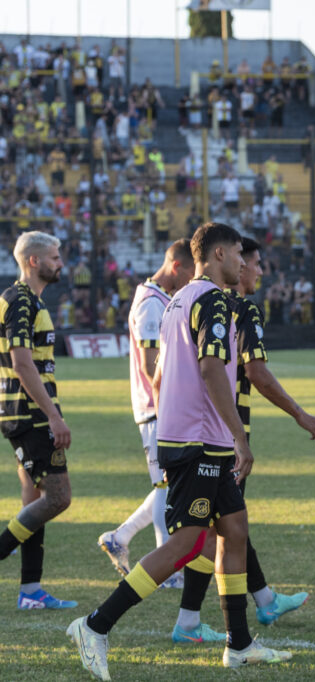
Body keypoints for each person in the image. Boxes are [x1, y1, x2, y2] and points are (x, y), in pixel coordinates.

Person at [67, 223, 291, 680]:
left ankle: (240, 644)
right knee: (187, 543)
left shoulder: (177, 301)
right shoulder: (209, 299)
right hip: (197, 441)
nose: (245, 263)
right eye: (238, 256)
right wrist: (239, 438)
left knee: (234, 530)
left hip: (189, 436)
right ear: (218, 254)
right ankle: (95, 625)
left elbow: (167, 374)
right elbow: (211, 370)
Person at [171, 238, 315, 642]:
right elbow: (255, 373)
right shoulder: (237, 308)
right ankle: (187, 620)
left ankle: (261, 600)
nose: (255, 271)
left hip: (194, 430)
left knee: (231, 523)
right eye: (253, 263)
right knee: (211, 529)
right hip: (221, 434)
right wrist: (299, 413)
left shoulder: (187, 301)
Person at [96, 240, 195, 587]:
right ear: (177, 266)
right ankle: (167, 569)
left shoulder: (161, 299)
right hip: (157, 406)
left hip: (165, 405)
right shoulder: (150, 303)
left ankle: (120, 537)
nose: (191, 281)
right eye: (190, 273)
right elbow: (149, 362)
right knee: (165, 485)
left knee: (167, 482)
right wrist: (168, 399)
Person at [0, 232, 75, 610]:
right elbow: (21, 363)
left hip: (21, 412)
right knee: (58, 497)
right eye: (55, 257)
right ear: (34, 261)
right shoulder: (21, 301)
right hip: (30, 415)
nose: (60, 263)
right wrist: (52, 415)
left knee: (33, 499)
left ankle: (30, 591)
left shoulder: (24, 300)